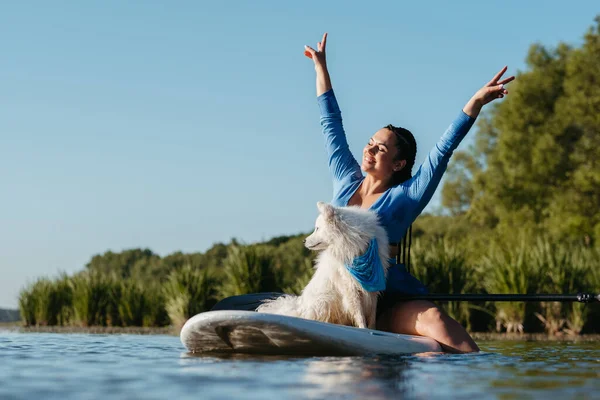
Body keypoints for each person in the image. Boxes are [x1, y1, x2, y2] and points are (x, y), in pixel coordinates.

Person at [302, 33, 514, 353]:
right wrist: (321, 68)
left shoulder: (406, 195)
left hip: (389, 300)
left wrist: (475, 103)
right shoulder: (346, 179)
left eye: (381, 148)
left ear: (398, 163)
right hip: (339, 297)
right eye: (370, 143)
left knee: (438, 325)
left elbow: (442, 151)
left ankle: (473, 371)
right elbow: (330, 124)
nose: (370, 149)